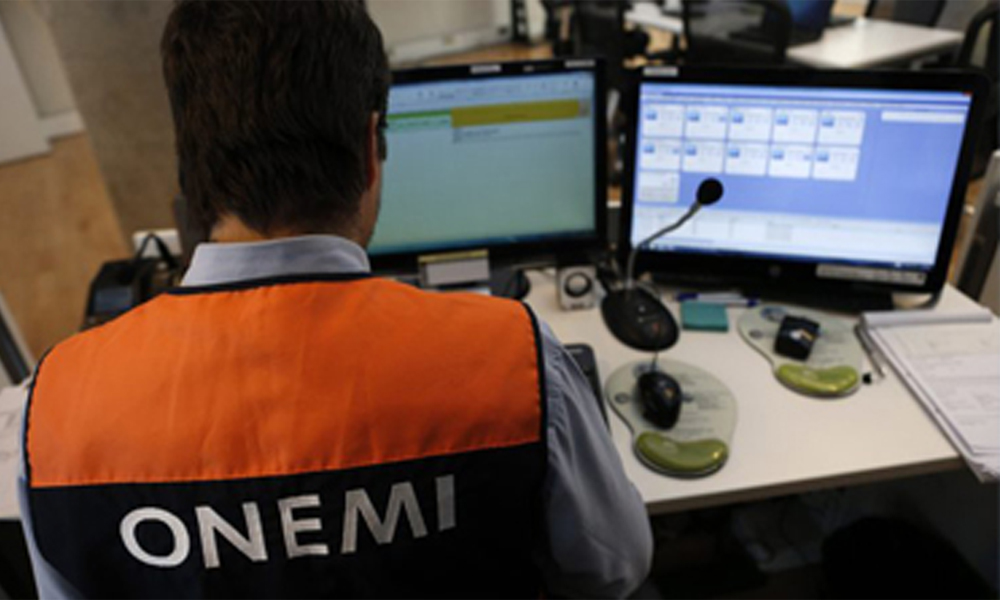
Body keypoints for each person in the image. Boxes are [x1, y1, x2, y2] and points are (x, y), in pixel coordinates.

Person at [18, 1, 652, 597]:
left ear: (190, 162)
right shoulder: (516, 359)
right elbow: (614, 568)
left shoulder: (54, 410)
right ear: (370, 150)